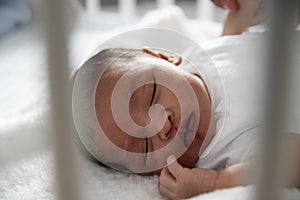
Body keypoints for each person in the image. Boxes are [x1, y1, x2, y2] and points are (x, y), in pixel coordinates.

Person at [72, 0, 300, 199]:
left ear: (164, 57)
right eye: (145, 146)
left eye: (151, 93)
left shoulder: (199, 56)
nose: (163, 126)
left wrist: (246, 11)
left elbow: (234, 35)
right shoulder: (226, 155)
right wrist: (217, 183)